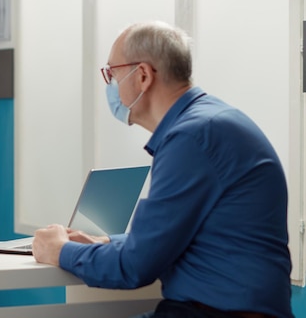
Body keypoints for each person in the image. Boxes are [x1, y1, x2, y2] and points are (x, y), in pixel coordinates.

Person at [32, 21, 293, 318]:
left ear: (142, 75)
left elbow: (134, 267)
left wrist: (60, 251)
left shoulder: (192, 138)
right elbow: (170, 240)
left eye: (112, 74)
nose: (110, 86)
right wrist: (105, 241)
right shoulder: (209, 123)